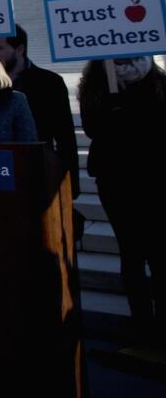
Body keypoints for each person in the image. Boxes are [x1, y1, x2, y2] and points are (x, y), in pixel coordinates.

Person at [78, 56, 166, 342]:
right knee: (131, 251)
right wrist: (112, 108)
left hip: (154, 177)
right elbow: (91, 128)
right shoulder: (96, 82)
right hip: (115, 178)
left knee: (159, 252)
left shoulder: (157, 82)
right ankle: (140, 321)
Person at [0, 25, 80, 197]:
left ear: (19, 49)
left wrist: (70, 185)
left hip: (36, 172)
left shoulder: (49, 83)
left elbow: (65, 137)